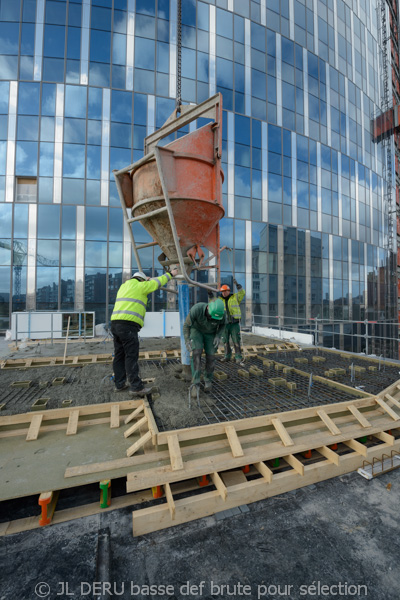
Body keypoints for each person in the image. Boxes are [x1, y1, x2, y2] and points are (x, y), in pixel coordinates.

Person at [111, 268, 178, 396]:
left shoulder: (124, 287)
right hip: (128, 326)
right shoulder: (141, 286)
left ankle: (119, 384)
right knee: (131, 356)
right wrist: (170, 274)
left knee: (119, 355)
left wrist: (145, 279)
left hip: (115, 324)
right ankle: (136, 387)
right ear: (142, 280)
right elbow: (157, 282)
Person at [183, 298, 226, 394]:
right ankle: (195, 382)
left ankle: (208, 379)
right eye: (211, 316)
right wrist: (187, 340)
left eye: (215, 318)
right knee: (197, 353)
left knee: (211, 357)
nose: (212, 319)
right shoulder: (196, 309)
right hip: (197, 330)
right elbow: (186, 325)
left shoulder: (222, 314)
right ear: (207, 308)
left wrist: (218, 336)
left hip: (211, 333)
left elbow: (223, 325)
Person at [220, 279, 245, 363]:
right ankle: (227, 356)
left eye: (225, 291)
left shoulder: (235, 297)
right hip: (224, 324)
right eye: (222, 291)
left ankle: (238, 357)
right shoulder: (219, 300)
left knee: (236, 340)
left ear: (228, 291)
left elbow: (242, 293)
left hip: (234, 324)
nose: (223, 293)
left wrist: (238, 286)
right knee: (225, 341)